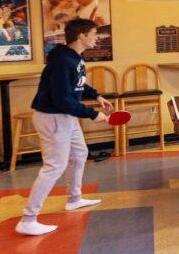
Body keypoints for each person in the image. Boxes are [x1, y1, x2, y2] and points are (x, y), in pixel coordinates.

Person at [15, 18, 112, 236]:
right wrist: (92, 114)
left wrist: (96, 95)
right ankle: (28, 219)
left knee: (79, 154)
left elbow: (77, 83)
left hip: (66, 116)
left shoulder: (74, 58)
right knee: (54, 167)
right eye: (94, 34)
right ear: (82, 36)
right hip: (53, 117)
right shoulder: (61, 63)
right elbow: (61, 99)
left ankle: (74, 199)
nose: (97, 38)